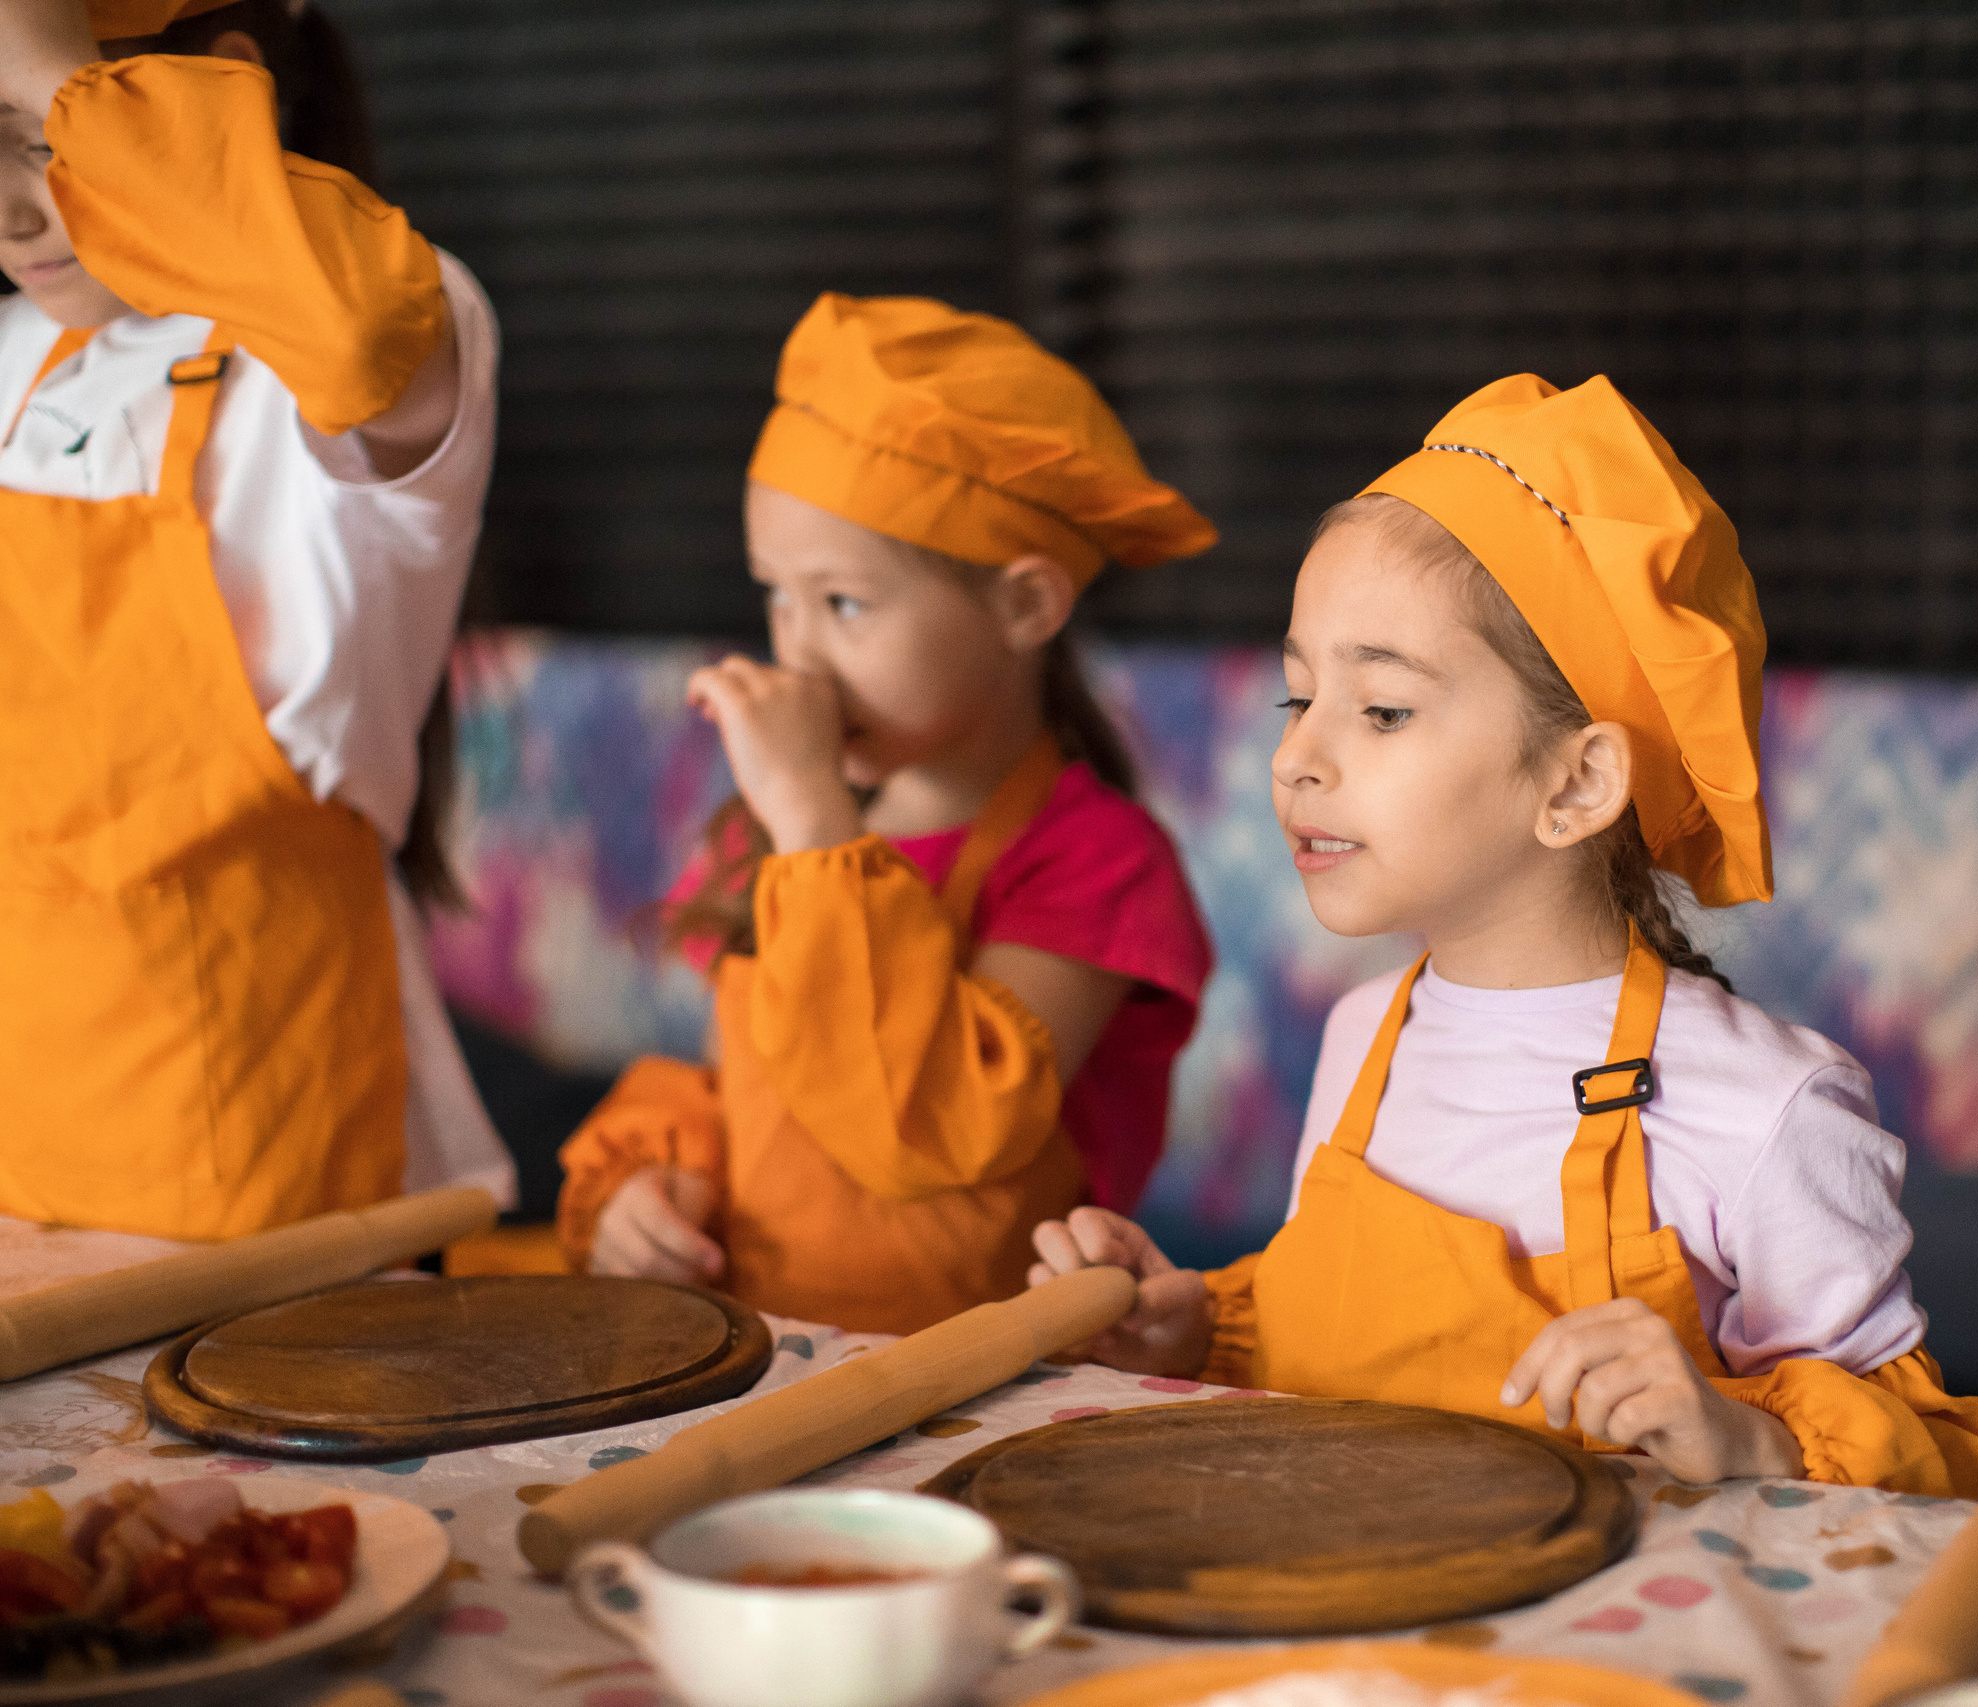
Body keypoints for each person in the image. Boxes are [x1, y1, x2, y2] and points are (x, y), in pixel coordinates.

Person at [1028, 375, 1978, 1495]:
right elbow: (1324, 1354)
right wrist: (1188, 1330)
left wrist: (1746, 1440)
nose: (1295, 756)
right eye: (1296, 698)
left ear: (1579, 778)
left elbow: (1917, 1479)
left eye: (1383, 709)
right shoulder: (1363, 1037)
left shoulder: (1766, 1109)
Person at [557, 294, 1217, 1334]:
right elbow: (745, 1089)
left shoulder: (1098, 860)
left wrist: (818, 827)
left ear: (1025, 607)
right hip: (748, 1355)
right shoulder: (765, 825)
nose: (798, 653)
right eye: (777, 596)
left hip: (976, 1385)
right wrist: (648, 1188)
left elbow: (935, 1127)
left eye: (845, 604)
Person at [0, 0, 512, 1237]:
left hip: (267, 1146)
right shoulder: (18, 354)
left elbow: (353, 325)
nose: (12, 211)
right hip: (32, 1138)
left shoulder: (364, 332)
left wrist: (41, 45)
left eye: (40, 138)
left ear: (221, 95)